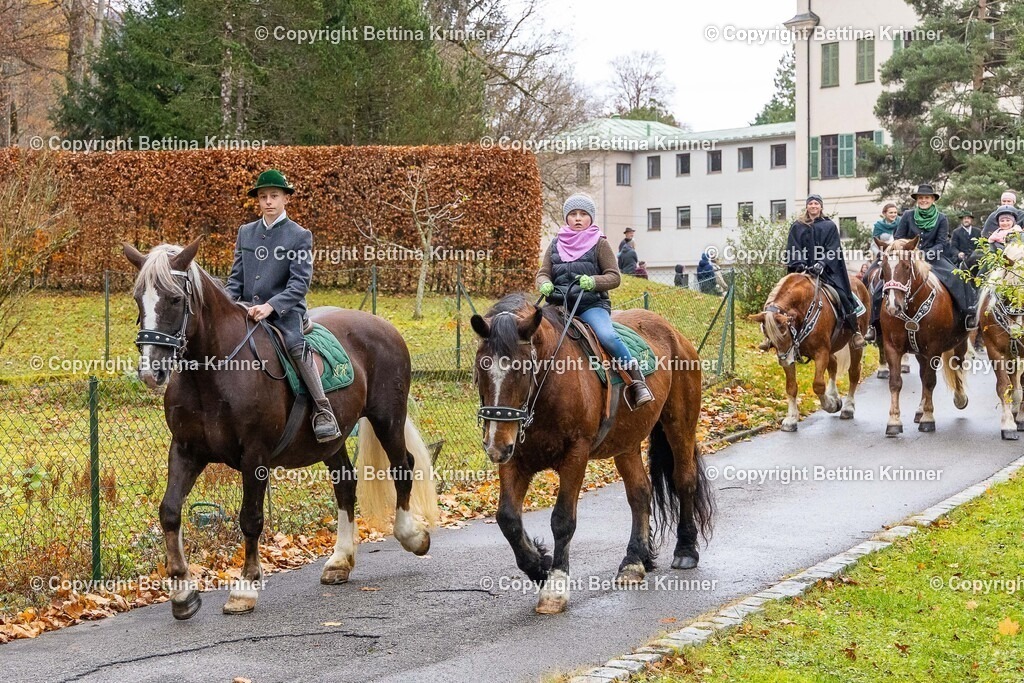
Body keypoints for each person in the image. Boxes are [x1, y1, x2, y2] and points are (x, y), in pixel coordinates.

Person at [226, 169, 341, 442]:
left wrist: (271, 307)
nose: (268, 201)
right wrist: (231, 305)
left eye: (274, 196)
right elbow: (235, 279)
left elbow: (299, 284)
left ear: (286, 199)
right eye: (263, 196)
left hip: (285, 312)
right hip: (246, 310)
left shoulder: (299, 235)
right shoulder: (246, 232)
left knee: (294, 344)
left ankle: (323, 409)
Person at [537, 194, 653, 407]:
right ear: (566, 218)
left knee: (607, 336)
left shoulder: (599, 244)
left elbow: (614, 277)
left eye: (583, 214)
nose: (578, 218)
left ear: (591, 218)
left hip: (590, 305)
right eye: (573, 214)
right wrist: (543, 282)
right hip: (557, 306)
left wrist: (593, 281)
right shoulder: (555, 244)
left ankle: (637, 382)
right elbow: (543, 272)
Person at [782, 194, 867, 349]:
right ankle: (776, 336)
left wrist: (822, 263)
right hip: (802, 272)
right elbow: (793, 247)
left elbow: (833, 248)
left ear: (821, 207)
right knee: (783, 297)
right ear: (807, 206)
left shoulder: (829, 226)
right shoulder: (797, 226)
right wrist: (799, 264)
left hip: (826, 272)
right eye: (811, 203)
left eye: (816, 203)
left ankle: (855, 331)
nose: (813, 206)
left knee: (842, 295)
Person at [893, 183, 978, 331]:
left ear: (933, 199)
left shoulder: (941, 218)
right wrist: (910, 252)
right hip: (908, 256)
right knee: (881, 277)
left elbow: (942, 243)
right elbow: (898, 237)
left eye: (927, 197)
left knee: (957, 276)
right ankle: (874, 322)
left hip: (934, 256)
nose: (923, 200)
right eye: (920, 198)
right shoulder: (907, 216)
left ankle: (968, 313)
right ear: (917, 199)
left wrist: (925, 254)